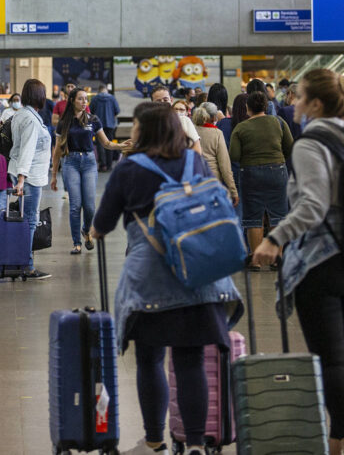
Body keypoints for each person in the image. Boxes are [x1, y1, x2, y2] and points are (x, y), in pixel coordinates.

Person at [89, 102, 241, 455]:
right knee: (189, 362)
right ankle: (196, 444)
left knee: (150, 359)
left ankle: (155, 439)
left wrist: (93, 233)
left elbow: (104, 222)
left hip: (152, 281)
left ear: (142, 131)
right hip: (200, 274)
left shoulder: (129, 168)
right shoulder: (194, 161)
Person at [251, 69, 344, 455]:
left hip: (323, 263)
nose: (293, 102)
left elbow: (314, 204)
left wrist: (275, 237)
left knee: (330, 361)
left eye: (300, 97)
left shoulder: (309, 145)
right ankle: (338, 442)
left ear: (317, 104)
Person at [50, 88, 131, 255]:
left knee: (89, 206)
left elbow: (106, 143)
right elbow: (57, 149)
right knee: (75, 206)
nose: (84, 101)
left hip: (88, 162)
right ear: (72, 100)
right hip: (70, 162)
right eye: (81, 99)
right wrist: (53, 176)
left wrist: (121, 146)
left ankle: (86, 230)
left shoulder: (93, 119)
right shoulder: (64, 122)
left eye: (86, 99)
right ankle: (76, 243)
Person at [229, 90, 294, 270]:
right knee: (278, 216)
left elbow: (234, 155)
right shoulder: (279, 123)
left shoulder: (241, 128)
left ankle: (256, 260)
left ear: (247, 107)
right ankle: (277, 258)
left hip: (251, 173)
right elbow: (290, 147)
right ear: (266, 106)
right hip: (277, 172)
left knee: (254, 218)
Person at [8, 78, 53, 280]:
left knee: (25, 220)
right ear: (39, 97)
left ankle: (21, 260)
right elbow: (26, 150)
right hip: (30, 177)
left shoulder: (22, 115)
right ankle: (26, 265)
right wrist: (21, 179)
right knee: (30, 221)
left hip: (25, 174)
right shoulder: (31, 121)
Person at [191, 103, 238, 205]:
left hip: (193, 180)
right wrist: (233, 191)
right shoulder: (217, 133)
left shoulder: (190, 131)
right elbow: (224, 165)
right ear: (213, 118)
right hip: (213, 181)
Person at [150, 86, 203, 155]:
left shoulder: (184, 121)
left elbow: (197, 151)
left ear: (171, 100)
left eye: (165, 100)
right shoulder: (148, 124)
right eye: (158, 101)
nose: (162, 103)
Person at [90, 84, 122, 172]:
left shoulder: (95, 99)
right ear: (106, 90)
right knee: (109, 143)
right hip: (110, 125)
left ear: (99, 90)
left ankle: (102, 165)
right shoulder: (112, 98)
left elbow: (90, 112)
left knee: (100, 144)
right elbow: (117, 111)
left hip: (97, 125)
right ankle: (109, 165)